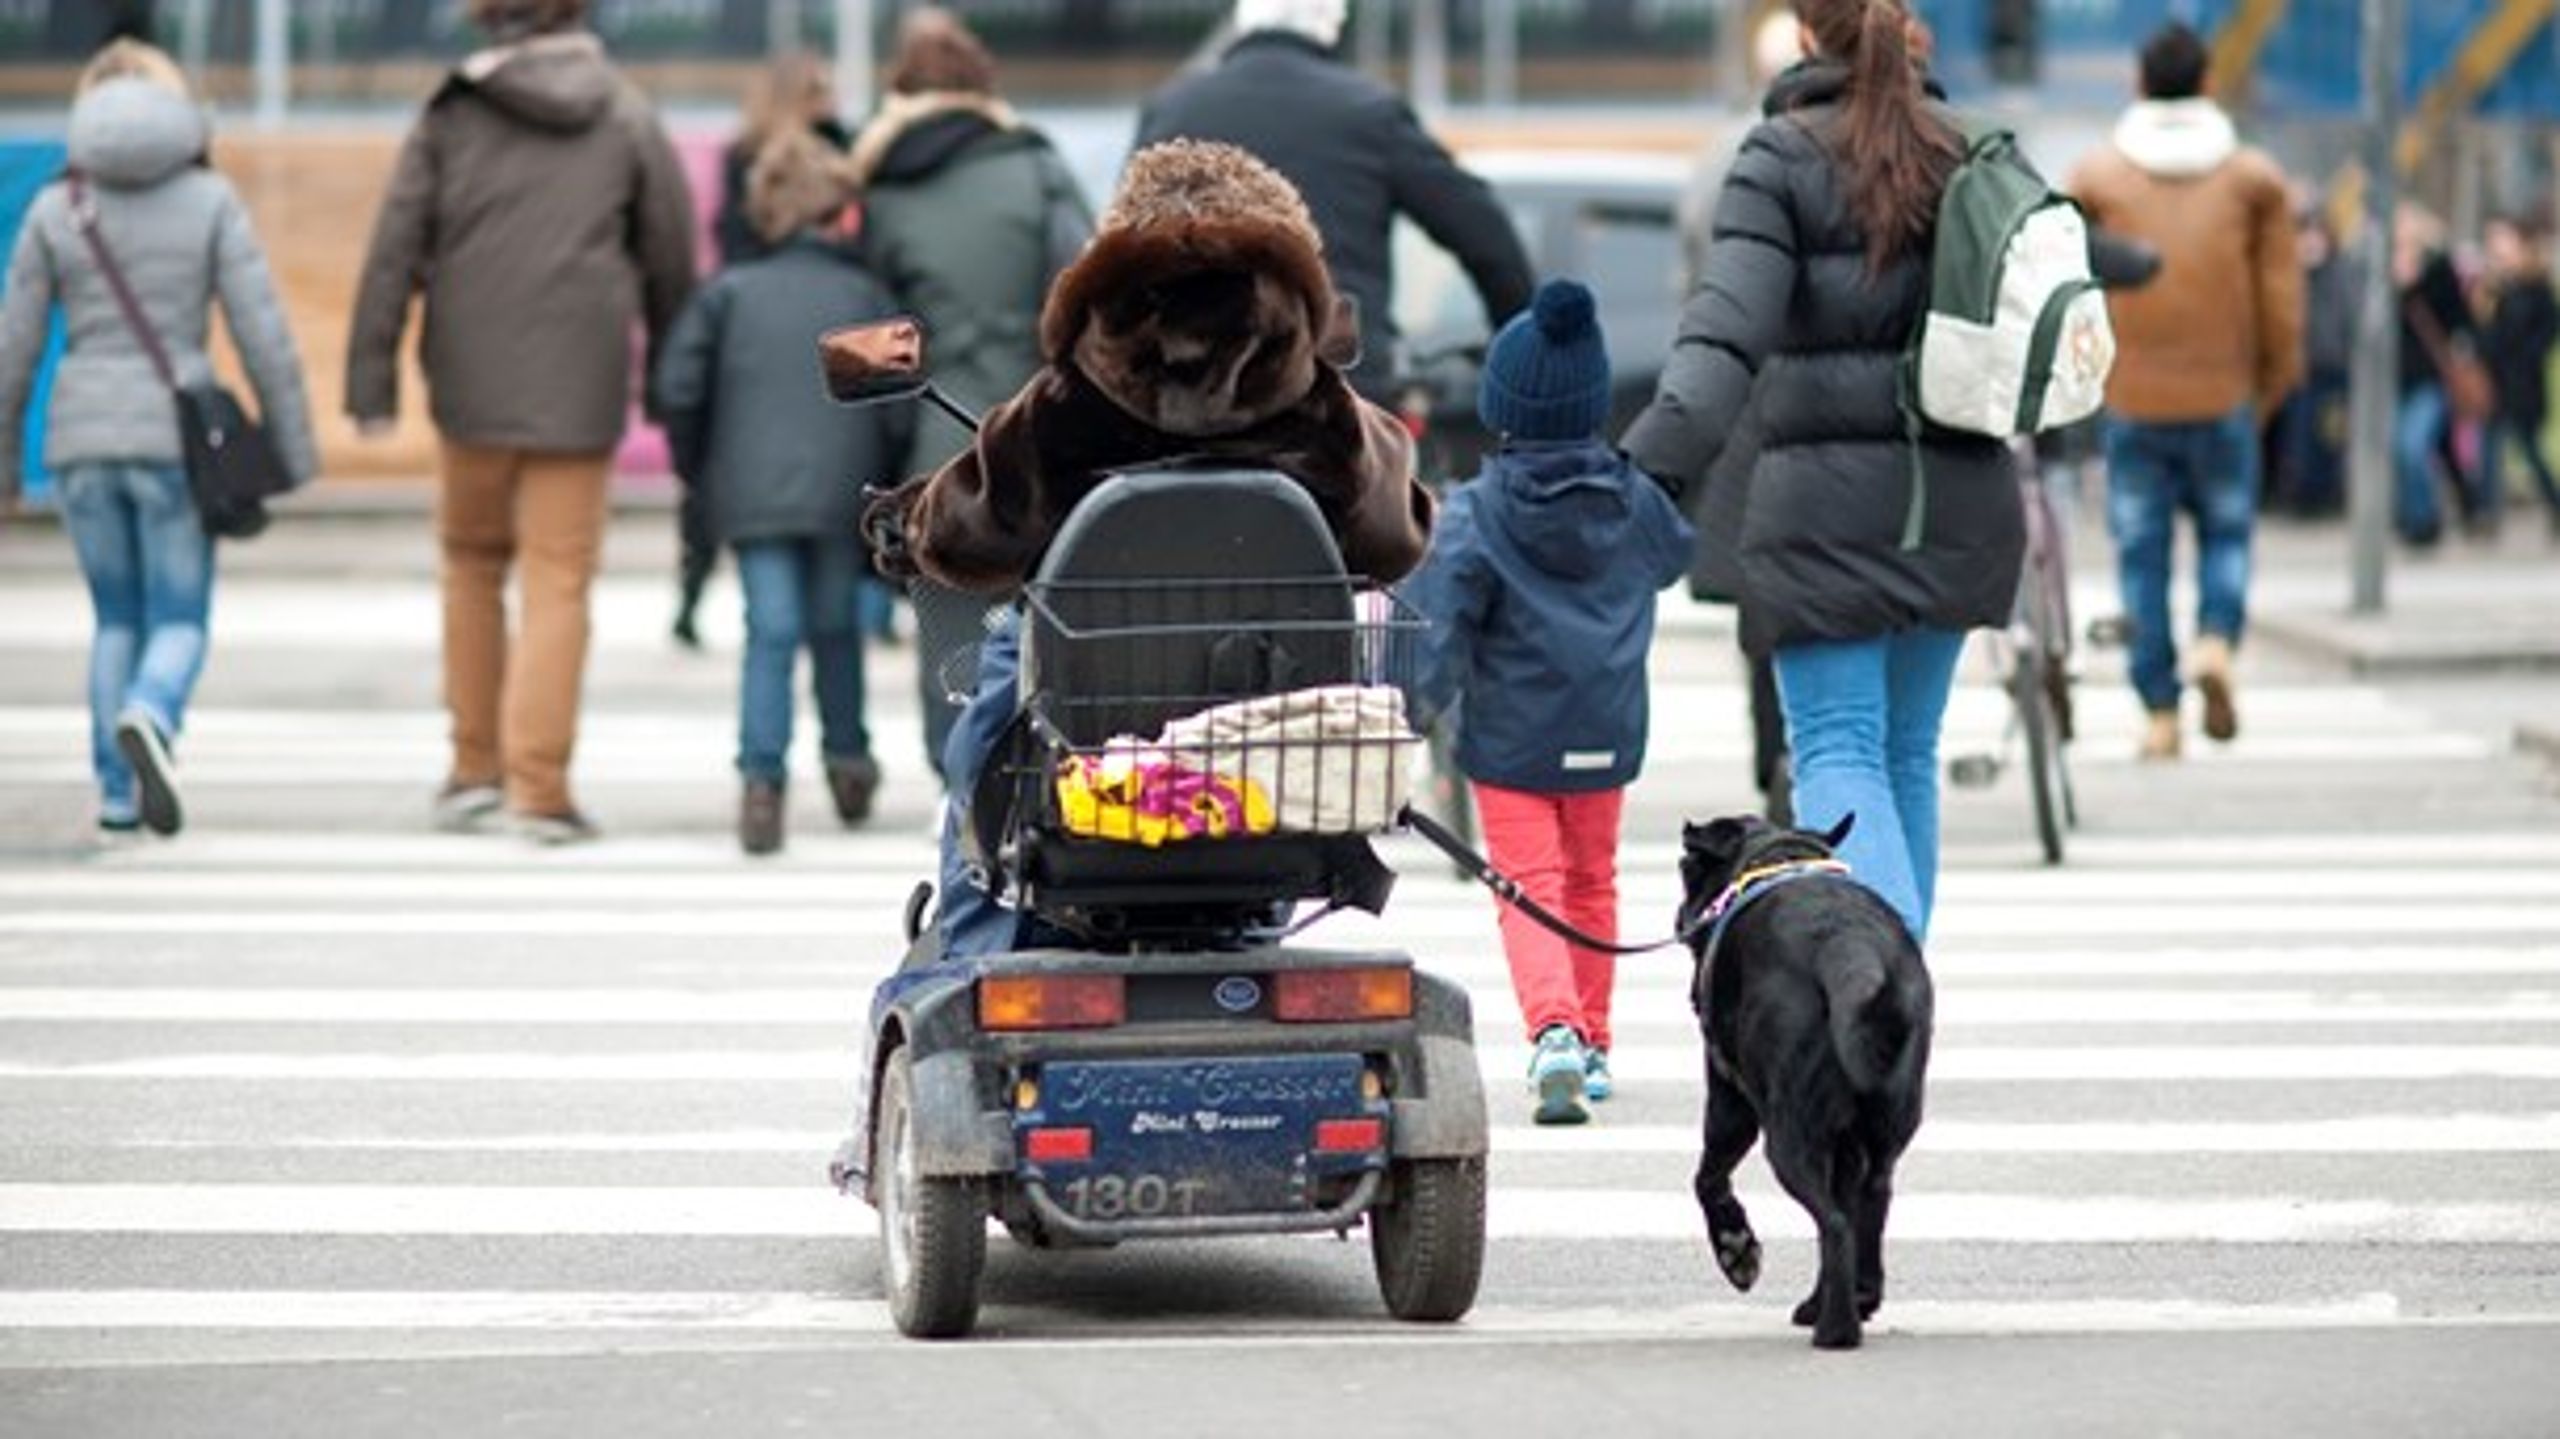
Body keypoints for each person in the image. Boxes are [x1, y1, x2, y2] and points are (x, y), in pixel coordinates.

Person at [863, 140, 1431, 958]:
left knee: (985, 749)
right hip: (1266, 709)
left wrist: (912, 523)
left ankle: (973, 947)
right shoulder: (1326, 408)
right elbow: (1395, 536)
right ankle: (1253, 921)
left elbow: (971, 528)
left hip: (1087, 713)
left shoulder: (1066, 399)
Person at [1621, 0, 2017, 946]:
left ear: (1805, 35)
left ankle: (1884, 987)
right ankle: (1899, 990)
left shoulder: (1780, 157)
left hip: (1822, 512)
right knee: (1908, 753)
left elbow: (1723, 341)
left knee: (1838, 746)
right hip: (1959, 501)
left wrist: (1639, 472)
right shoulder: (1974, 149)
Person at [345, 0, 696, 844]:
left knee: (470, 565)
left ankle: (473, 771)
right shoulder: (622, 109)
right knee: (558, 578)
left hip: (468, 381)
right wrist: (675, 385)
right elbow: (670, 253)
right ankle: (538, 790)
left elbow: (395, 246)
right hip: (578, 386)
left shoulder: (453, 110)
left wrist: (371, 378)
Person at [0, 39, 318, 838]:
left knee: (114, 619)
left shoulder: (53, 206)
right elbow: (262, 332)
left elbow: (14, 348)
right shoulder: (210, 200)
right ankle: (152, 712)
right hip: (173, 437)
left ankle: (115, 794)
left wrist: (5, 460)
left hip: (78, 438)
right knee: (177, 615)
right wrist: (290, 446)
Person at [1404, 279, 1694, 1125]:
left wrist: (1411, 716)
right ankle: (1595, 1041)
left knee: (1528, 883)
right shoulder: (1634, 499)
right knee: (1593, 878)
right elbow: (1673, 553)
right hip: (1607, 726)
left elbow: (1440, 627)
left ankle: (1554, 1029)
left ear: (1503, 406)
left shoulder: (1477, 512)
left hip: (1509, 741)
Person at [849, 7, 1092, 794]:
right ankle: (1044, 777)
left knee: (948, 628)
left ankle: (957, 783)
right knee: (1049, 618)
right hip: (1039, 443)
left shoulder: (880, 192)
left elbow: (868, 325)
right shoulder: (1037, 168)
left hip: (933, 444)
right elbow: (1086, 296)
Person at [651, 132, 910, 856]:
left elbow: (680, 389)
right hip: (841, 490)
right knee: (836, 628)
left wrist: (705, 470)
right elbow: (895, 407)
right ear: (840, 213)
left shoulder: (729, 294)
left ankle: (762, 784)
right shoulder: (864, 296)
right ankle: (849, 762)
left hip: (753, 491)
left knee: (770, 630)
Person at [2067, 21, 2303, 761]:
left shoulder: (2097, 176)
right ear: (2208, 83)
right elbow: (2281, 297)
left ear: (2138, 83)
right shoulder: (2252, 179)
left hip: (2133, 394)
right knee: (2227, 534)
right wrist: (2273, 378)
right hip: (2225, 390)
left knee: (2141, 554)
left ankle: (2160, 711)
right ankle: (2216, 641)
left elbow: (2066, 275)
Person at [1133, 0, 1535, 402]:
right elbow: (1485, 236)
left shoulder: (1172, 111)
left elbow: (1122, 250)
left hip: (1196, 396)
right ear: (1332, 20)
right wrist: (1523, 343)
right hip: (1336, 393)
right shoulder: (1368, 112)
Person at [671, 50, 854, 652]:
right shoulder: (838, 150)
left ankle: (690, 594)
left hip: (751, 324)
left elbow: (727, 240)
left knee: (739, 465)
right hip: (824, 314)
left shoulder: (740, 154)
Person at [2393, 205, 2487, 548]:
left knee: (2413, 447)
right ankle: (2414, 516)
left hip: (2430, 377)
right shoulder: (2377, 272)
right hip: (2390, 383)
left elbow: (2461, 321)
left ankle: (2424, 521)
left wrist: (2413, 284)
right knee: (2405, 450)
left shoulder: (2437, 270)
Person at [2480, 212, 2560, 540]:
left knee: (2528, 447)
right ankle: (2486, 513)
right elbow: (2485, 332)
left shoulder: (2535, 284)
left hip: (2524, 381)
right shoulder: (2494, 286)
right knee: (2490, 448)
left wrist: (2529, 355)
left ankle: (2555, 503)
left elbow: (2550, 328)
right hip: (2495, 380)